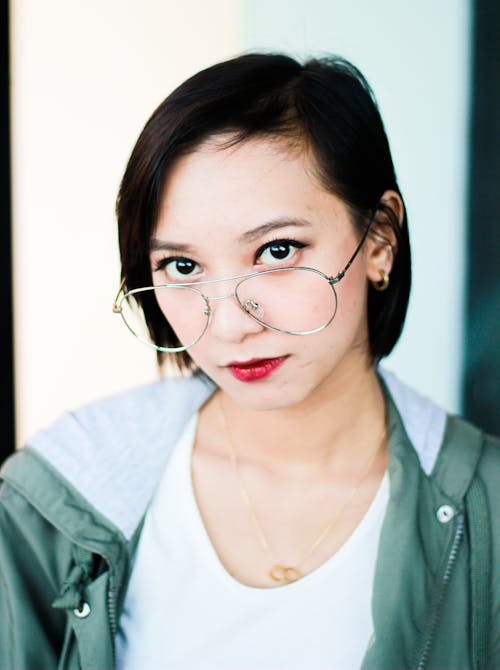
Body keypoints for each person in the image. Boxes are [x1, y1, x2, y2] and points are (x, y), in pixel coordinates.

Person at [0, 53, 498, 670]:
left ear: (379, 241)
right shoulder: (59, 501)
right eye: (182, 267)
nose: (232, 324)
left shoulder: (488, 519)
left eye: (277, 250)